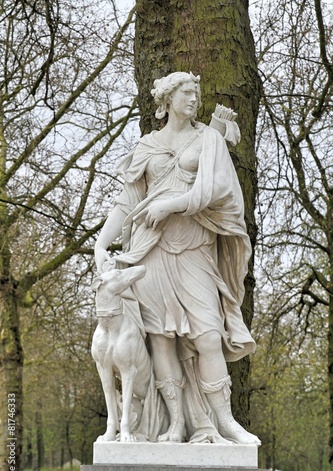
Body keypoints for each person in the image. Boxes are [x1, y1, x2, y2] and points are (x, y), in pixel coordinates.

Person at [95, 71, 260, 445]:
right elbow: (128, 202)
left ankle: (223, 421)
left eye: (196, 93)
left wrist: (173, 204)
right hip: (150, 253)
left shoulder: (208, 140)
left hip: (194, 250)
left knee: (208, 337)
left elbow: (218, 190)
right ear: (168, 99)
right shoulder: (148, 146)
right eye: (186, 92)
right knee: (161, 340)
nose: (193, 99)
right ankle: (174, 424)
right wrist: (101, 245)